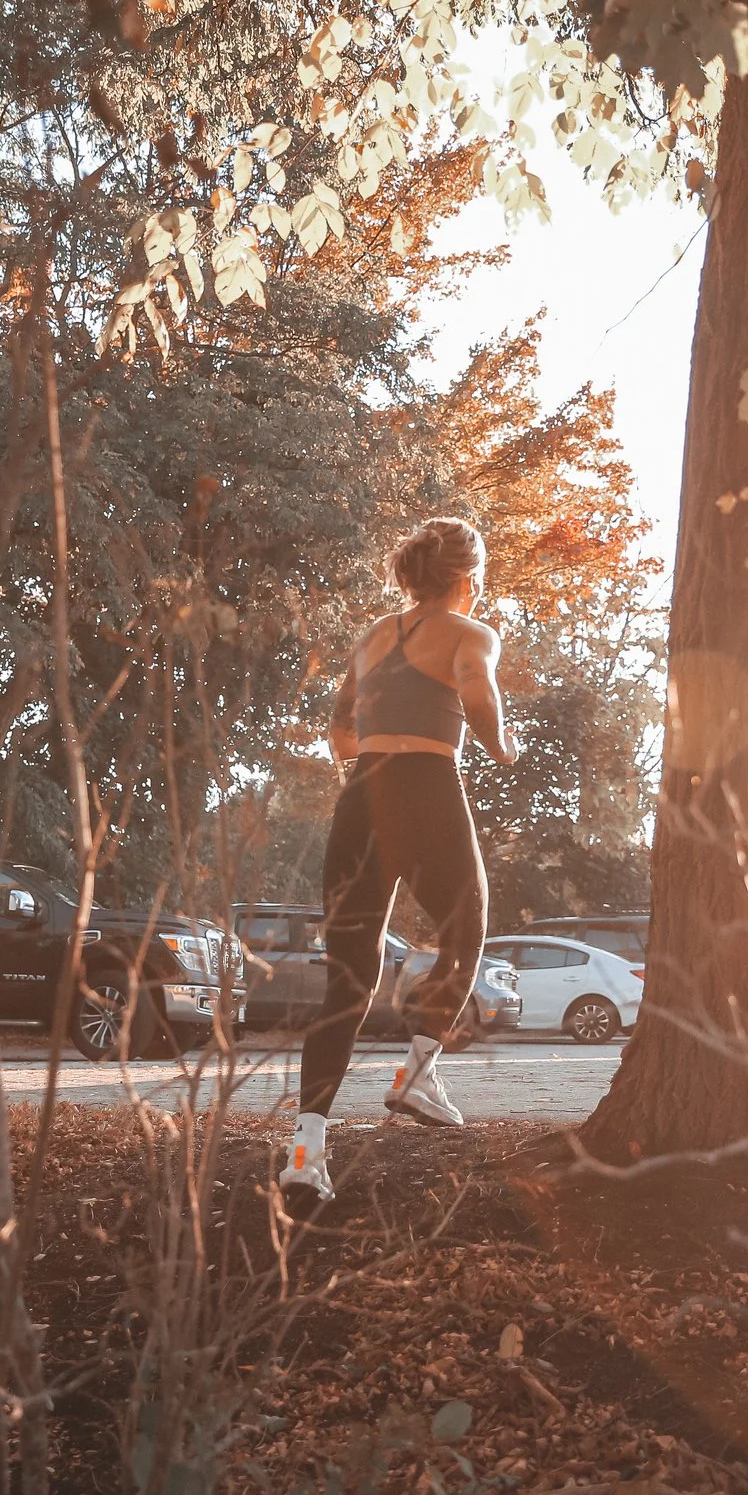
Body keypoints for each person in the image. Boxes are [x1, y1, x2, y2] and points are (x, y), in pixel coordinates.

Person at [282, 518, 521, 1210]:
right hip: (425, 788)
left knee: (347, 979)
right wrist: (502, 745)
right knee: (466, 925)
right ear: (466, 580)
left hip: (361, 796)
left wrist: (368, 767)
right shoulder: (472, 633)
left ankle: (305, 1151)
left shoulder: (371, 636)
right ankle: (417, 1072)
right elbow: (478, 690)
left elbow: (339, 728)